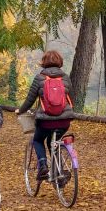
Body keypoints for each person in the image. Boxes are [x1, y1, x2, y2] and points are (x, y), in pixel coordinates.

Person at [16, 50, 74, 181]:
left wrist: (20, 111)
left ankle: (43, 166)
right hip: (64, 121)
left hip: (45, 121)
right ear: (60, 62)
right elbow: (71, 98)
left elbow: (30, 100)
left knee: (37, 140)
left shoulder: (39, 78)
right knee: (54, 142)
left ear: (44, 62)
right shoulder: (65, 77)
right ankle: (59, 169)